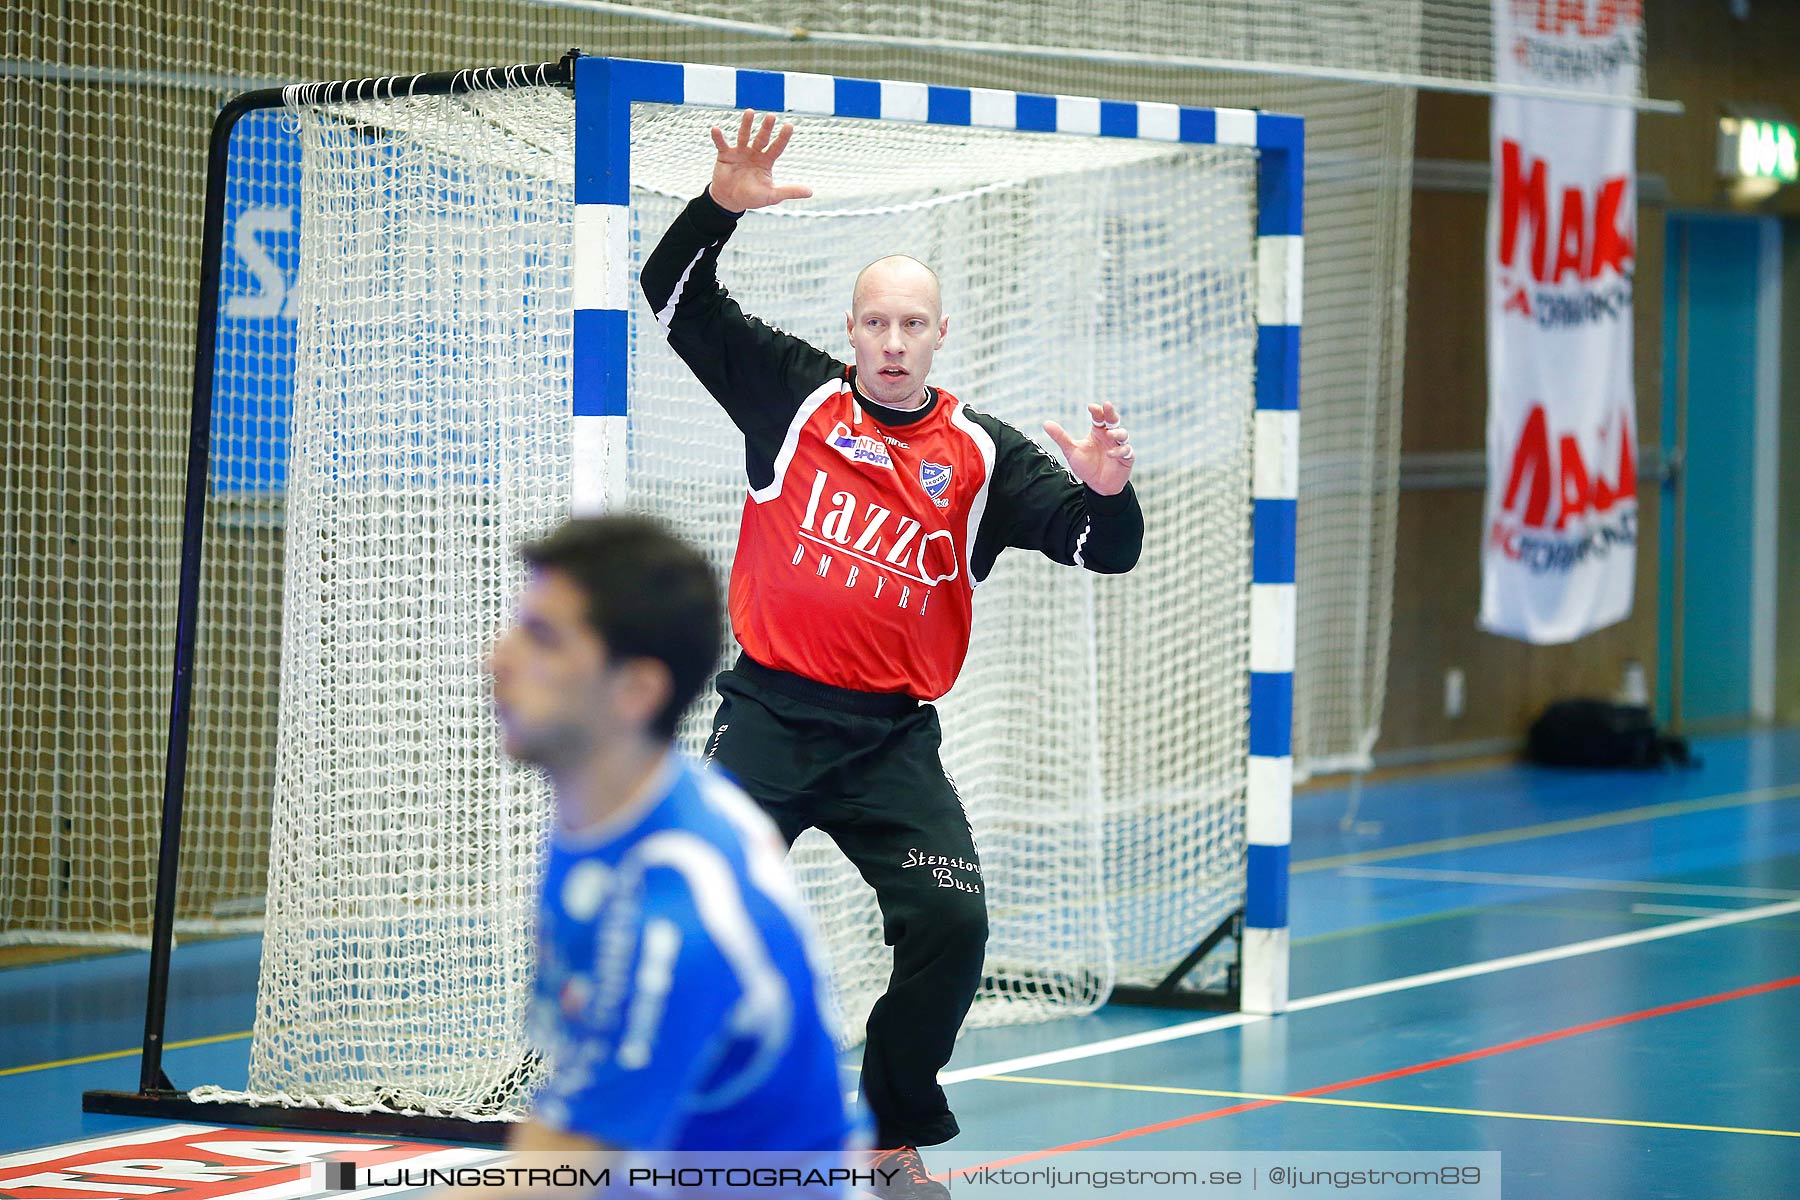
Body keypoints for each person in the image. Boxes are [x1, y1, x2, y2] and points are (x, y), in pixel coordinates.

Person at [637, 113, 1143, 1200]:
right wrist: (722, 204)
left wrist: (1107, 489)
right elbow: (673, 295)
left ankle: (889, 1132)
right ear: (856, 330)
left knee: (954, 921)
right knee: (700, 913)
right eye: (878, 322)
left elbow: (1102, 551)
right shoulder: (796, 394)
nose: (895, 340)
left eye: (914, 323)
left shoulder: (982, 455)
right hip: (769, 718)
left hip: (891, 742)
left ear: (940, 333)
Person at [466, 515, 866, 1198]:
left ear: (636, 692)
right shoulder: (612, 808)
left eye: (543, 638)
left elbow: (551, 1174)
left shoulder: (677, 914)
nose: (497, 658)